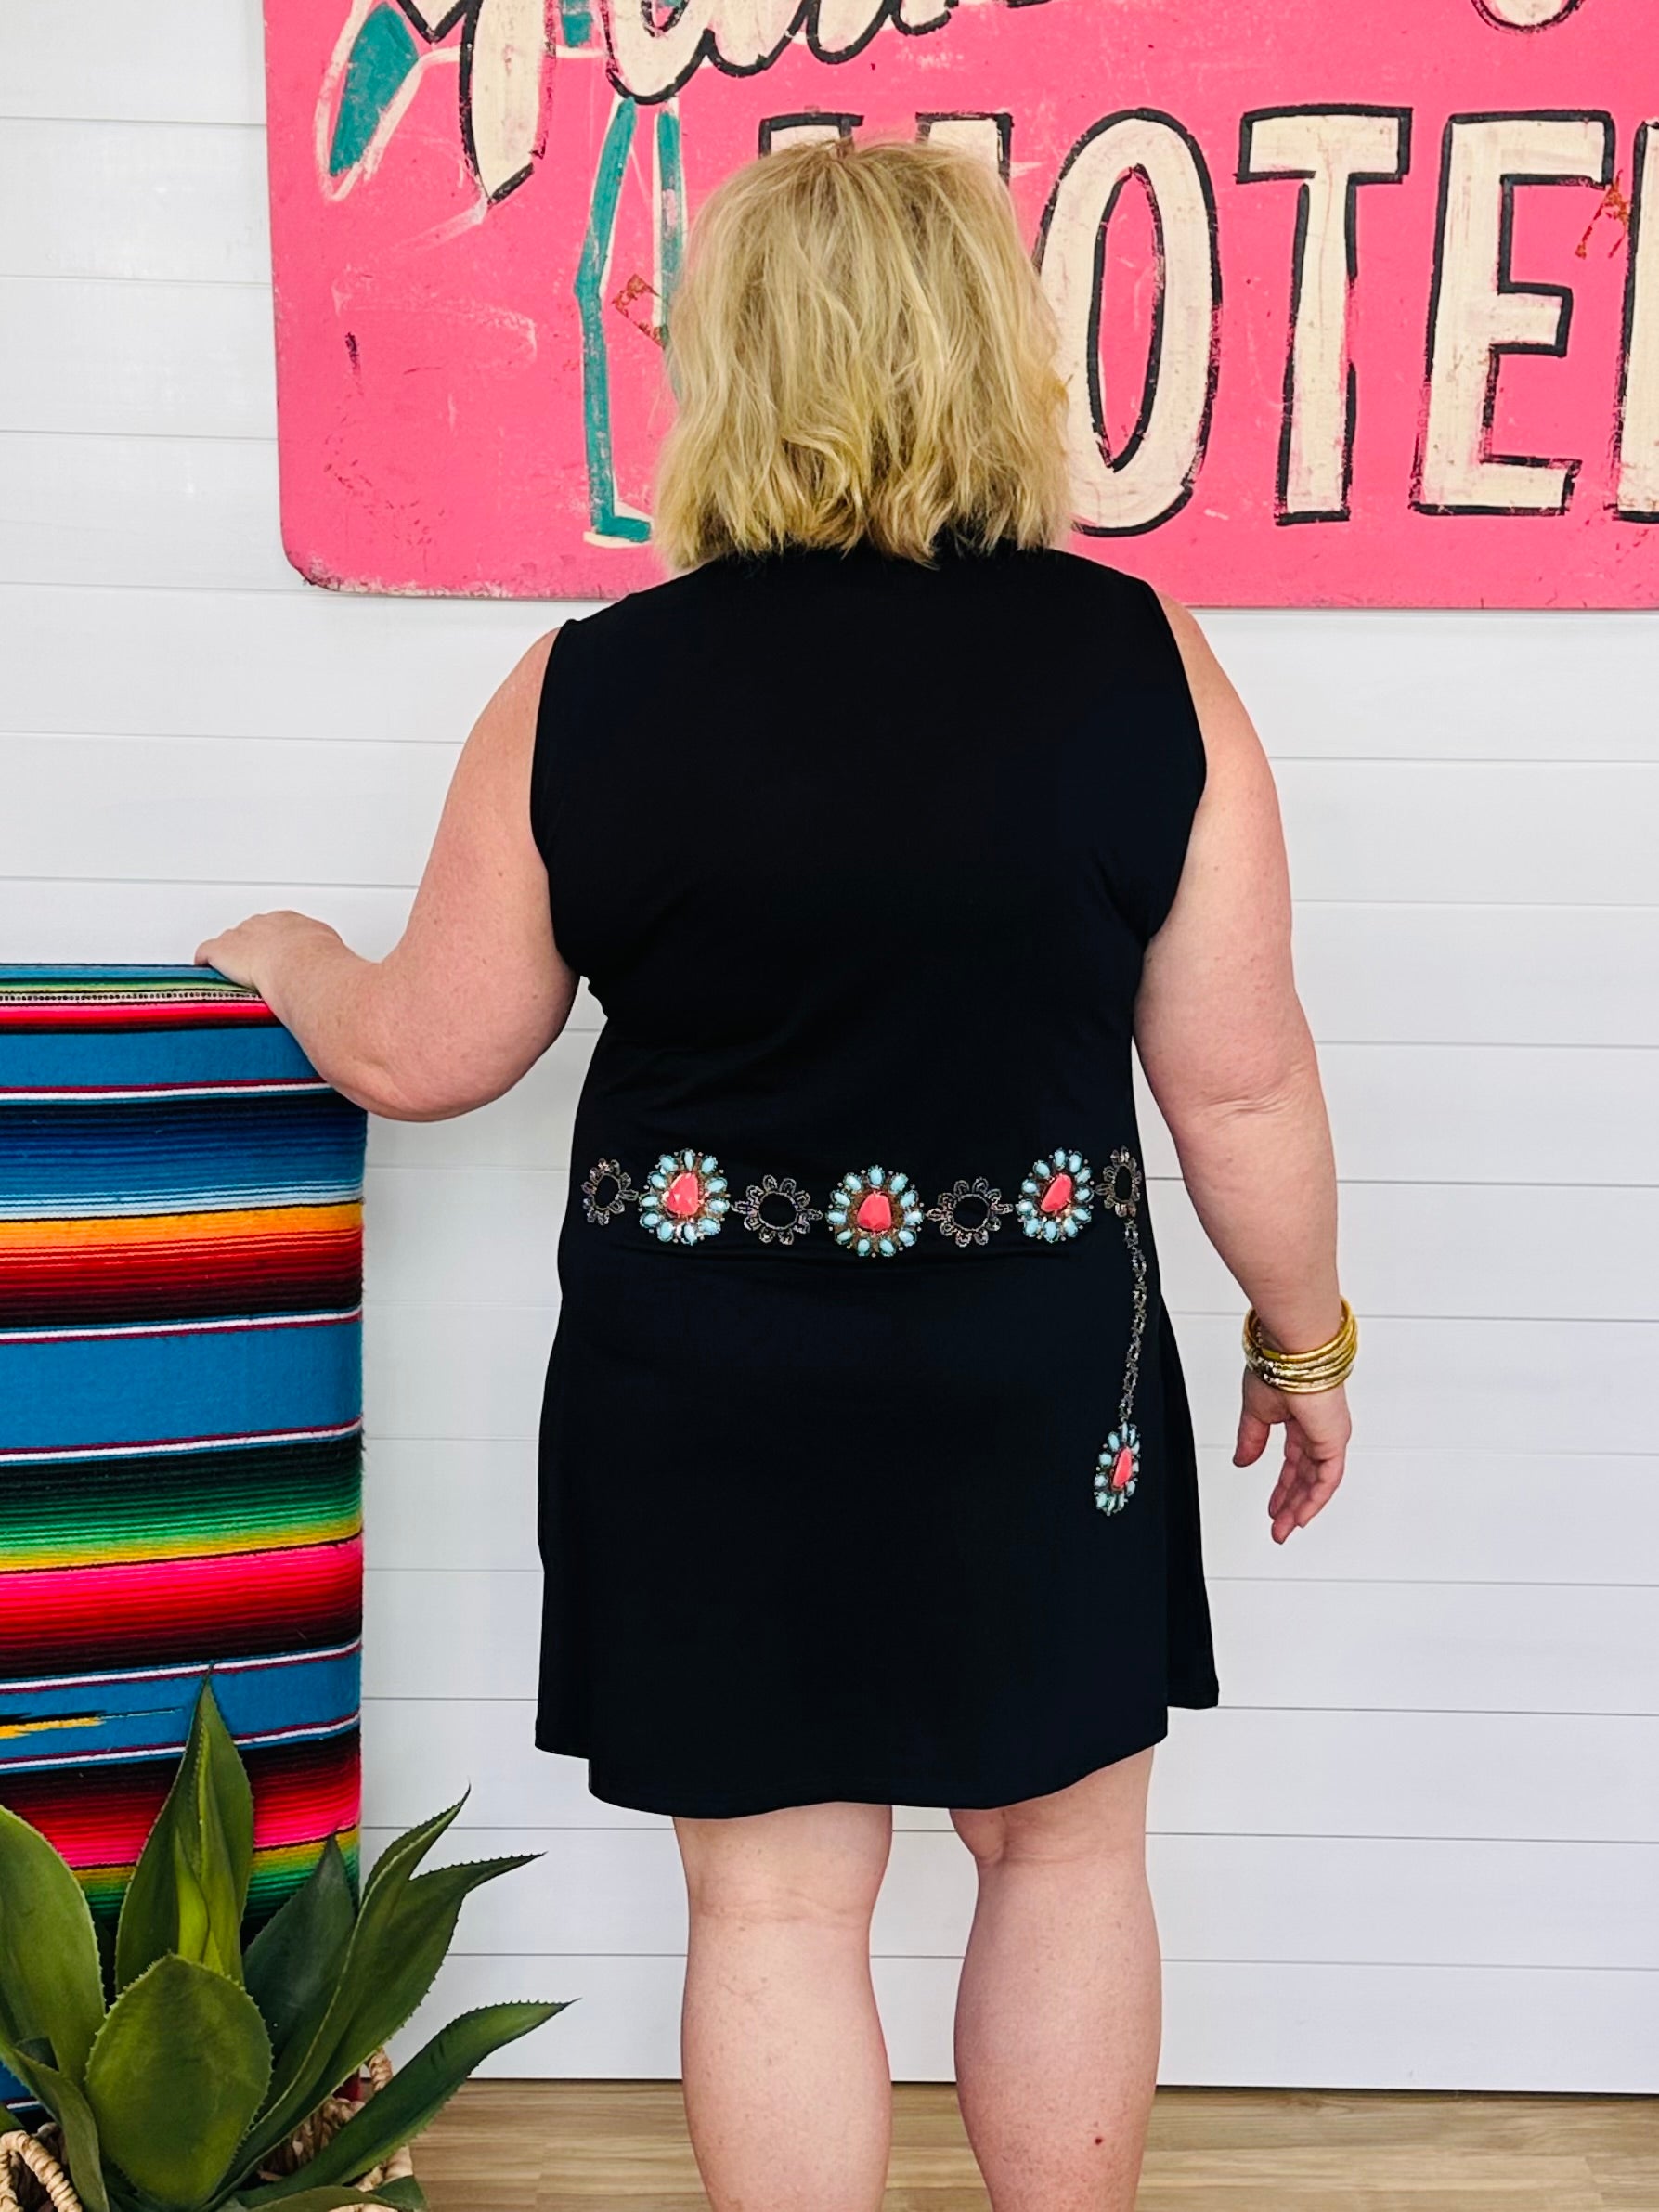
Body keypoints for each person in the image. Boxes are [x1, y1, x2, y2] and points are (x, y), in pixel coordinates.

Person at [199, 136, 1354, 2212]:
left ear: (728, 365)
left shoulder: (593, 685)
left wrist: (287, 953)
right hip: (1036, 1382)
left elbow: (427, 1052)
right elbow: (1243, 1089)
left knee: (777, 1913)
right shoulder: (1142, 660)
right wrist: (1309, 1339)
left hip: (703, 1386)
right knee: (1065, 1849)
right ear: (994, 354)